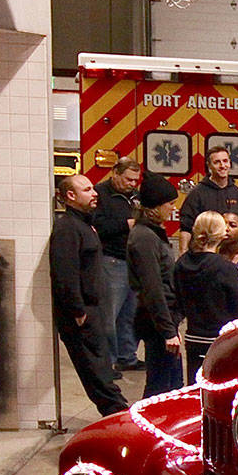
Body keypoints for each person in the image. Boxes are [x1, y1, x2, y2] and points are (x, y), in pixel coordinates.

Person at [48, 175, 128, 417]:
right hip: (81, 315)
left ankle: (119, 415)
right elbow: (64, 273)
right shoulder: (67, 228)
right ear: (70, 196)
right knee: (97, 374)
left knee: (102, 368)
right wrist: (78, 311)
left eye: (93, 188)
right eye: (87, 189)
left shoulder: (83, 225)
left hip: (93, 311)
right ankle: (118, 417)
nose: (94, 193)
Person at [127, 174, 184, 397]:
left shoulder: (152, 234)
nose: (173, 207)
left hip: (165, 320)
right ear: (156, 206)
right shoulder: (144, 238)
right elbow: (152, 287)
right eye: (170, 203)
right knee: (160, 387)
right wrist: (168, 331)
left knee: (172, 384)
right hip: (157, 324)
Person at [175, 211, 238, 380]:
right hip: (220, 340)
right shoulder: (225, 268)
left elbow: (178, 300)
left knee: (195, 387)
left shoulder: (182, 263)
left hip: (193, 338)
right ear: (220, 234)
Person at [91, 157, 143, 372]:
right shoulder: (99, 195)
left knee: (129, 314)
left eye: (135, 181)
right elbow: (96, 226)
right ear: (115, 173)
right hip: (111, 261)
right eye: (128, 180)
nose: (132, 184)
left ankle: (127, 357)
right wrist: (125, 224)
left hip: (132, 262)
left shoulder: (135, 197)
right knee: (108, 316)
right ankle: (107, 363)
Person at [178, 145, 238, 253]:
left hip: (230, 253)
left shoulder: (237, 193)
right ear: (209, 165)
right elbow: (186, 227)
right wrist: (183, 253)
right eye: (217, 162)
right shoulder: (197, 193)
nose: (222, 166)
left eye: (225, 161)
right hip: (204, 253)